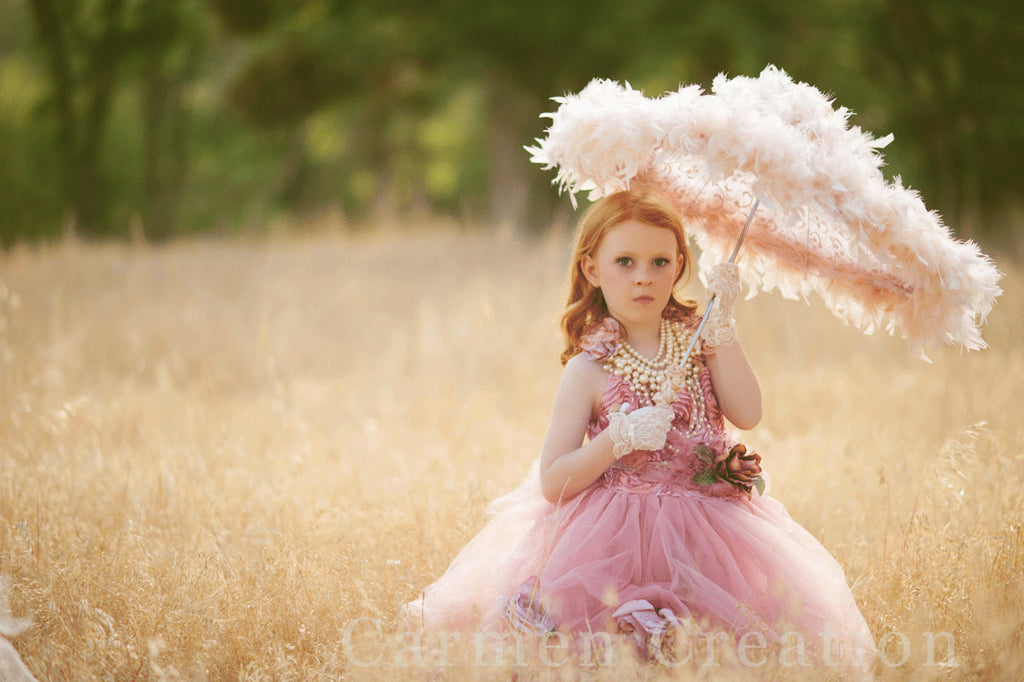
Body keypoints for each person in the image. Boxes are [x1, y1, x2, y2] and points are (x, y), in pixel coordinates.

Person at [406, 190, 875, 672]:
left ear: (679, 266)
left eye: (659, 262)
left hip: (711, 534)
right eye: (625, 262)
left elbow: (749, 412)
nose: (644, 276)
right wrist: (618, 439)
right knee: (614, 653)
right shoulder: (590, 368)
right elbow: (553, 480)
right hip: (611, 538)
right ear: (592, 269)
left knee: (719, 651)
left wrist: (723, 327)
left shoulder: (701, 341)